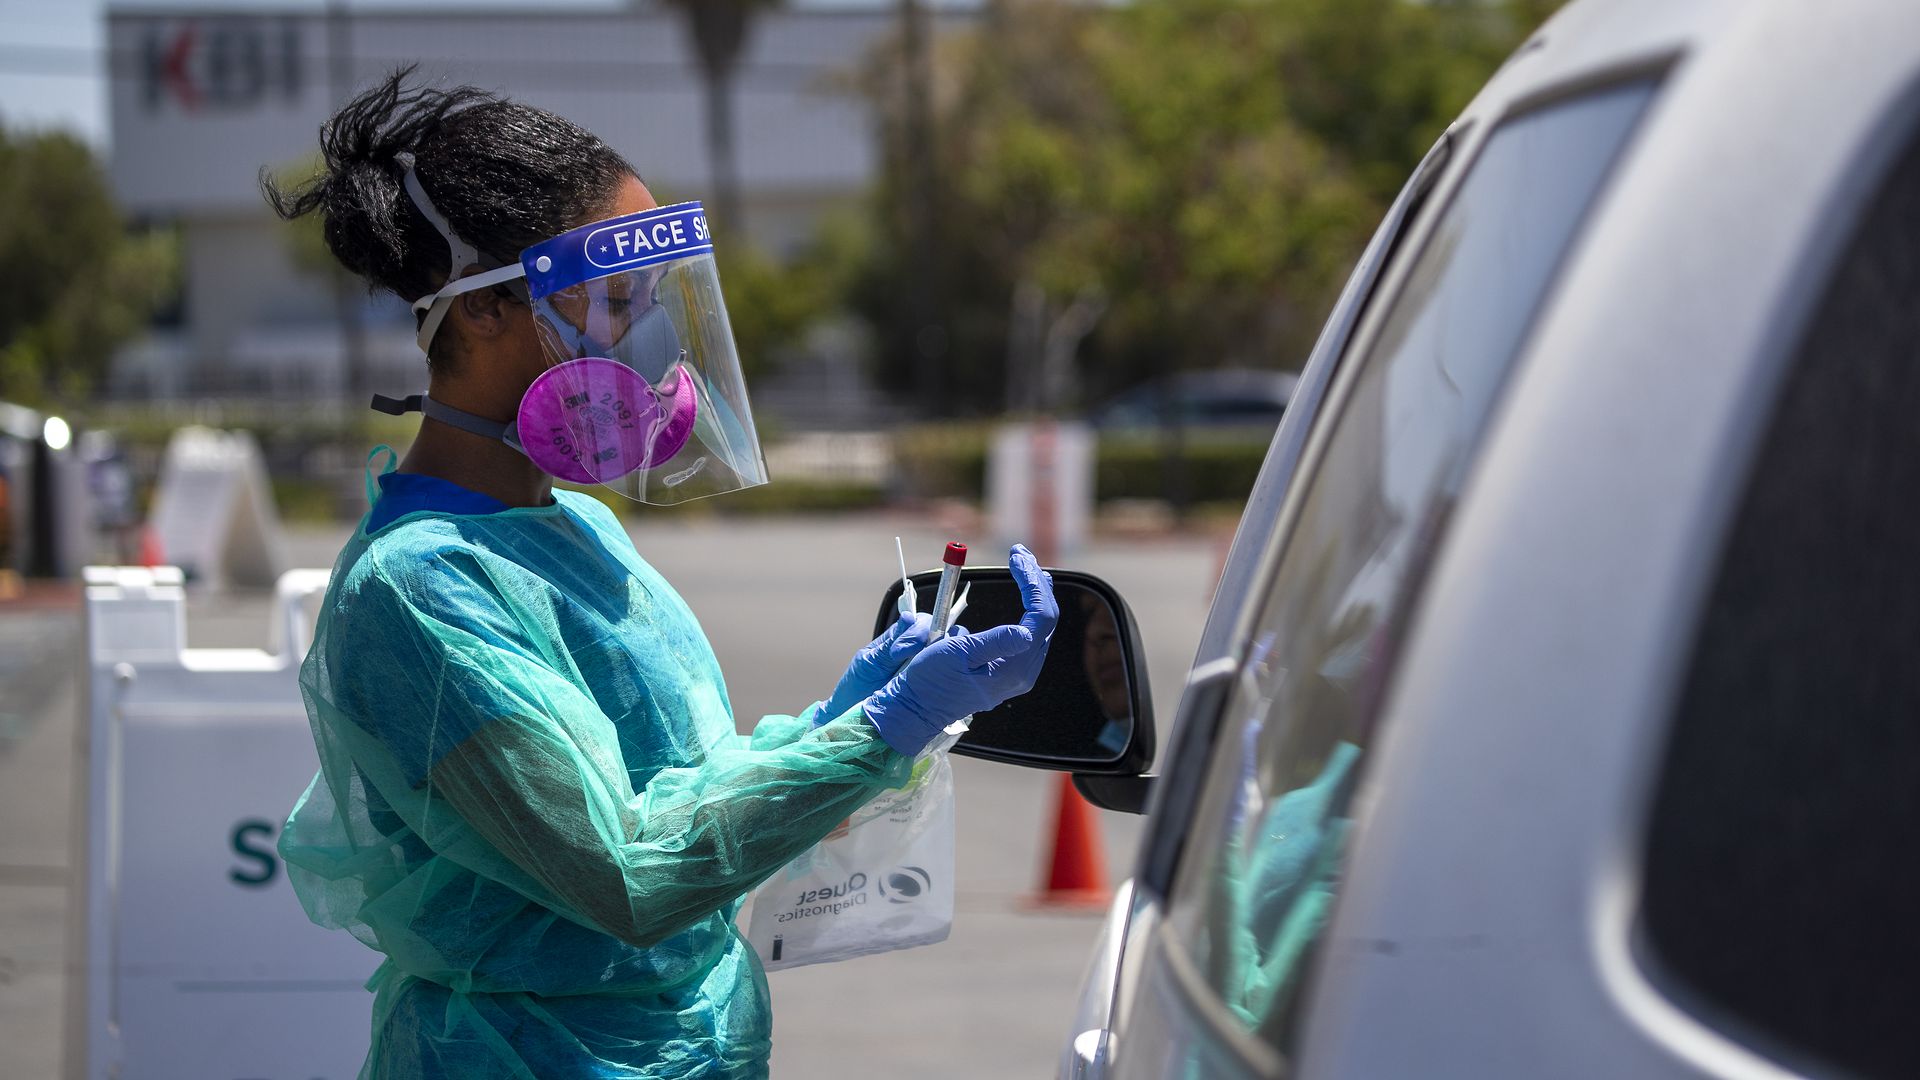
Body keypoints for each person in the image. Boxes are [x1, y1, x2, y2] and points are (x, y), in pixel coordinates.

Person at [264, 72, 1058, 1079]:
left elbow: (681, 791)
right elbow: (628, 873)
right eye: (607, 300)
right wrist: (878, 732)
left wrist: (832, 726)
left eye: (647, 298)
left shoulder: (579, 527)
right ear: (478, 316)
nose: (640, 343)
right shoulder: (419, 591)